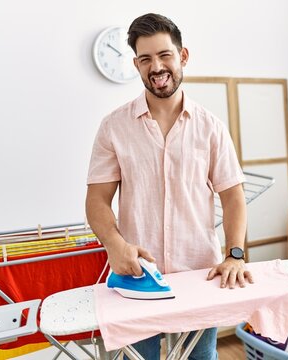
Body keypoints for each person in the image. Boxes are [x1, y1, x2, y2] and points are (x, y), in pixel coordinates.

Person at [85, 12, 253, 360]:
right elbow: (97, 201)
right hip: (137, 280)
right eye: (145, 59)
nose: (156, 66)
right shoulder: (113, 127)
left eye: (164, 55)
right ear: (136, 64)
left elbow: (234, 198)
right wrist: (115, 245)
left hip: (199, 278)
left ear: (183, 57)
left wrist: (234, 254)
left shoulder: (211, 128)